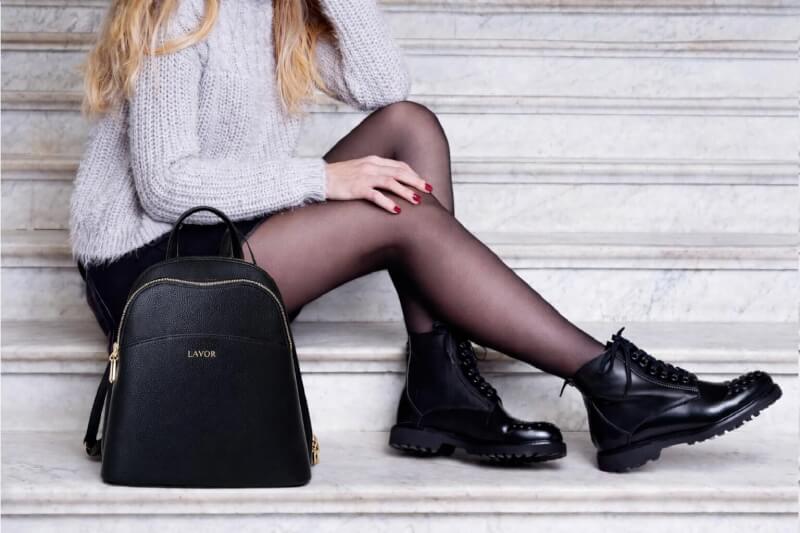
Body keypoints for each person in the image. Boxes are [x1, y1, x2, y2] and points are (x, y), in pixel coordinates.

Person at [70, 0, 781, 472]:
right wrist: (323, 178)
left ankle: (441, 385)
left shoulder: (277, 14)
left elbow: (387, 85)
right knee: (401, 212)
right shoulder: (180, 11)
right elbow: (166, 185)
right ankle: (611, 384)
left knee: (411, 126)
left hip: (231, 237)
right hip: (152, 270)